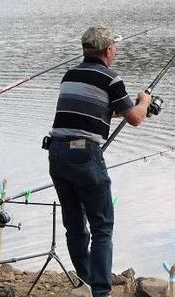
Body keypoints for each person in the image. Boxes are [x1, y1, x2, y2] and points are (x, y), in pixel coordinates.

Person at [46, 25, 155, 297]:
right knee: (102, 226)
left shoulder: (69, 75)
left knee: (74, 224)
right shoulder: (111, 78)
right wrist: (145, 101)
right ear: (108, 50)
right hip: (85, 154)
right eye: (114, 47)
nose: (115, 51)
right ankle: (101, 291)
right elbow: (135, 119)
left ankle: (86, 279)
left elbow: (91, 111)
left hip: (57, 152)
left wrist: (133, 109)